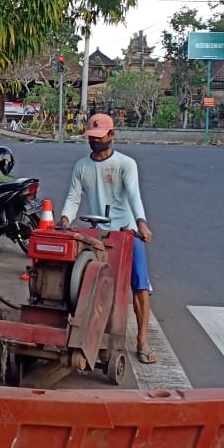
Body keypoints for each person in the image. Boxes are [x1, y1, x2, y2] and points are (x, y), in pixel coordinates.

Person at [58, 112, 155, 363]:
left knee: (140, 285)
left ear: (111, 135)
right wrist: (65, 220)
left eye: (99, 137)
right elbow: (74, 197)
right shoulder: (82, 166)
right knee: (84, 279)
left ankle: (142, 339)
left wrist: (141, 224)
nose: (95, 141)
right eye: (91, 137)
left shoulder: (125, 164)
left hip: (127, 231)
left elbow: (134, 195)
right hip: (96, 232)